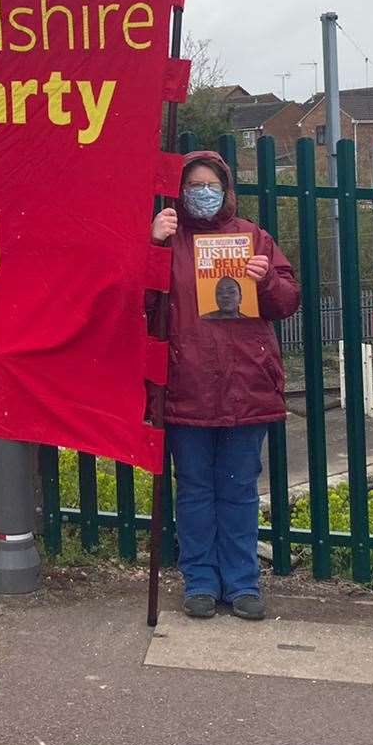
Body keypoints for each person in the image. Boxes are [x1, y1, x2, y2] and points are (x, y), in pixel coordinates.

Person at [151, 151, 299, 620]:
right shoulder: (168, 239)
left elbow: (288, 300)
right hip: (185, 384)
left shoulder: (253, 237)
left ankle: (241, 582)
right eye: (193, 184)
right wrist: (152, 246)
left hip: (245, 385)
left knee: (238, 490)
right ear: (180, 190)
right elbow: (137, 300)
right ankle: (199, 580)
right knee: (193, 490)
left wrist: (267, 281)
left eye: (210, 184)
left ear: (226, 188)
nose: (203, 192)